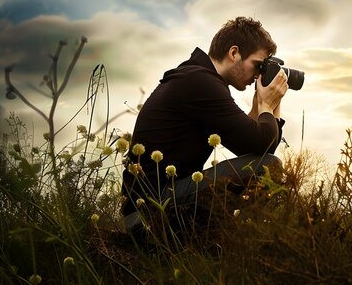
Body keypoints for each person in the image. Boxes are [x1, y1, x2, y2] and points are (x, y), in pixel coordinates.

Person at [121, 16, 289, 234]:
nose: (257, 75)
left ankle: (216, 242)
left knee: (265, 163)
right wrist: (267, 102)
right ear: (234, 53)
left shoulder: (198, 77)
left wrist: (270, 101)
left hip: (153, 202)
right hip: (150, 209)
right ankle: (224, 242)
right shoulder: (200, 82)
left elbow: (254, 143)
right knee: (270, 166)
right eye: (257, 65)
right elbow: (261, 146)